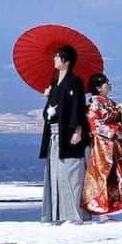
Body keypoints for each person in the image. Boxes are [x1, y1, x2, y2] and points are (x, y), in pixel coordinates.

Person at [39, 45, 90, 224]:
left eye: (58, 57)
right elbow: (52, 110)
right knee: (55, 174)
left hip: (67, 134)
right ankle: (56, 215)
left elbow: (77, 106)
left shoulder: (74, 81)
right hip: (54, 134)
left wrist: (77, 130)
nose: (54, 59)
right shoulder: (54, 83)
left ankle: (73, 215)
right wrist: (48, 98)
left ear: (66, 61)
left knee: (71, 173)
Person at [81, 73, 122, 220]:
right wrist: (114, 131)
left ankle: (111, 209)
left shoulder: (109, 102)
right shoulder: (95, 103)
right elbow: (95, 124)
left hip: (113, 144)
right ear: (98, 87)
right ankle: (102, 211)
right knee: (103, 176)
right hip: (102, 145)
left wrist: (121, 132)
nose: (109, 84)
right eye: (105, 82)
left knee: (115, 176)